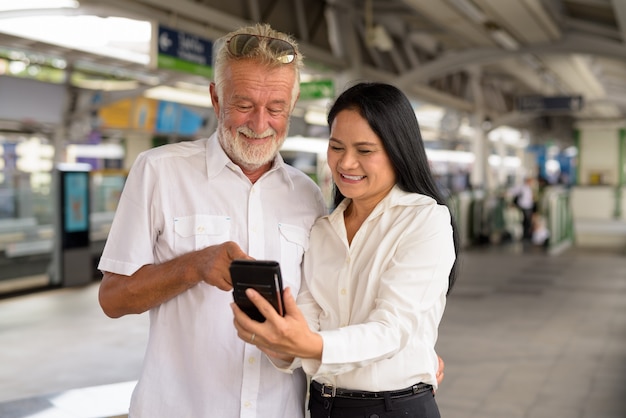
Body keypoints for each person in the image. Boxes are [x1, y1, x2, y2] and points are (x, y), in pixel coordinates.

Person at [97, 23, 328, 417]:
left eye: (275, 108)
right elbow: (113, 298)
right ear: (216, 98)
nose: (259, 124)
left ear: (293, 104)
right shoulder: (159, 171)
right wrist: (194, 266)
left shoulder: (307, 195)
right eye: (243, 105)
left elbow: (324, 310)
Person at [232, 82, 459, 418]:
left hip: (395, 408)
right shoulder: (323, 230)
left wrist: (310, 344)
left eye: (365, 151)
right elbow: (308, 320)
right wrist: (275, 339)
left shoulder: (425, 220)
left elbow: (391, 329)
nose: (346, 163)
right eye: (336, 147)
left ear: (398, 151)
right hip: (325, 406)